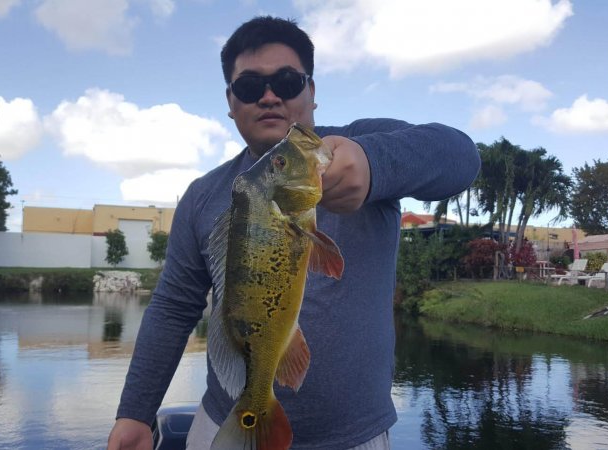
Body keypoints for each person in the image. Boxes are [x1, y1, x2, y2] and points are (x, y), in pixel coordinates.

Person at [108, 16, 480, 450]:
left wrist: (373, 162)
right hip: (225, 420)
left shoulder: (360, 143)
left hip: (352, 437)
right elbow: (173, 307)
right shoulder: (203, 194)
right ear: (230, 102)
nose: (268, 96)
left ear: (312, 92)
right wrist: (135, 411)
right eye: (249, 86)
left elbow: (461, 156)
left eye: (286, 81)